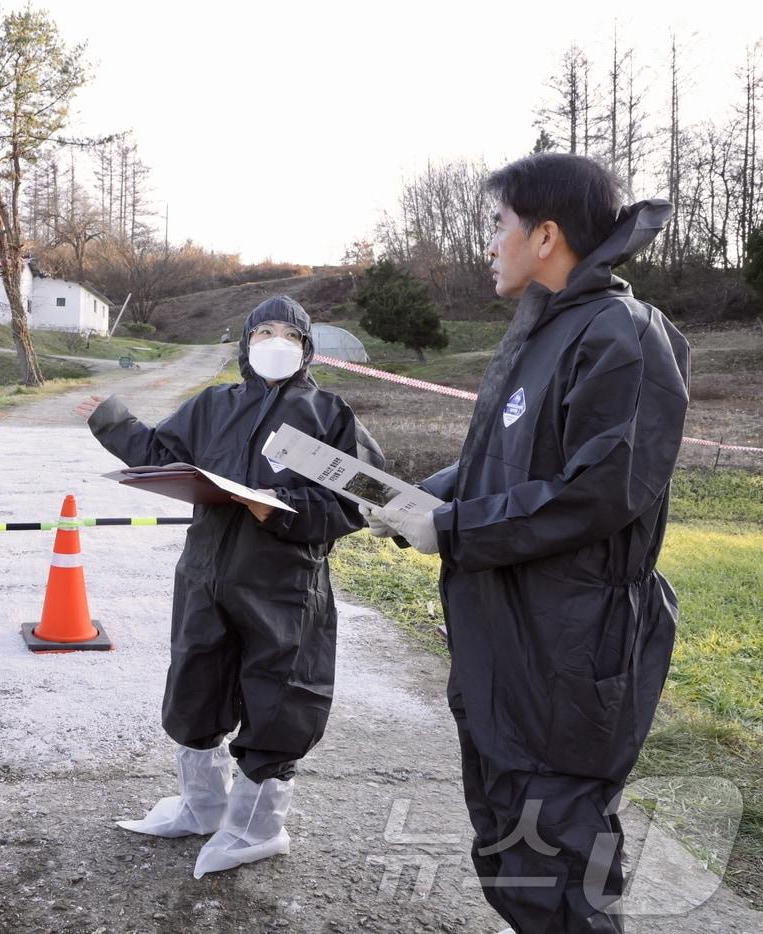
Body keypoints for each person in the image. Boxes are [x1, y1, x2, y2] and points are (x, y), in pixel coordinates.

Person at [370, 153, 690, 932]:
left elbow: (597, 493)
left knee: (559, 867)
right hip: (506, 633)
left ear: (545, 234)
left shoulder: (625, 336)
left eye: (497, 224)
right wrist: (407, 499)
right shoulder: (541, 332)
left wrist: (449, 528)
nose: (489, 243)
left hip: (573, 647)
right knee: (512, 856)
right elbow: (499, 464)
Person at [77, 295, 381, 879]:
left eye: (288, 333)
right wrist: (111, 420)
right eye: (263, 331)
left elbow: (358, 503)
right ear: (244, 342)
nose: (275, 341)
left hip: (285, 586)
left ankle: (257, 828)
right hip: (207, 572)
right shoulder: (214, 404)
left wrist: (281, 509)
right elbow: (161, 455)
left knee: (280, 696)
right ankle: (203, 806)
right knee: (196, 682)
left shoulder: (331, 415)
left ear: (307, 345)